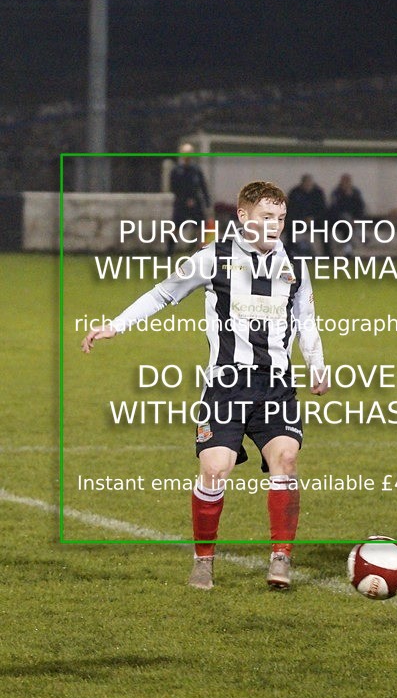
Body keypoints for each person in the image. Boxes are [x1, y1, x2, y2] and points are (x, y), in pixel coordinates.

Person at [82, 181, 329, 591]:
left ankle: (281, 557)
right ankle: (203, 560)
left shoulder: (295, 268)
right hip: (226, 386)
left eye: (281, 219)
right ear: (244, 217)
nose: (276, 226)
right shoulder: (213, 258)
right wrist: (115, 325)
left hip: (276, 387)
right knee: (215, 469)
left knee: (285, 460)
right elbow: (163, 294)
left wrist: (317, 366)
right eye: (267, 218)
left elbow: (306, 322)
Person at [167, 142, 210, 255]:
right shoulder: (176, 171)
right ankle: (169, 250)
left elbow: (202, 186)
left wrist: (207, 202)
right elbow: (173, 188)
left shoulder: (196, 170)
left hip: (195, 202)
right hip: (181, 203)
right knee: (176, 227)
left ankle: (200, 251)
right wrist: (185, 200)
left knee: (200, 227)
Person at [285, 174, 327, 257]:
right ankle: (289, 253)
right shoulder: (295, 193)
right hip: (299, 221)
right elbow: (291, 210)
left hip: (315, 221)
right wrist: (302, 219)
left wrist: (313, 218)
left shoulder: (318, 193)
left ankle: (327, 253)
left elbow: (322, 210)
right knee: (290, 228)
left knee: (325, 227)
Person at [328, 174, 366, 256]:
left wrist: (356, 218)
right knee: (346, 224)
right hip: (339, 220)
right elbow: (335, 209)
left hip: (353, 219)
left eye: (348, 182)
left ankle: (358, 237)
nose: (346, 184)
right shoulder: (336, 193)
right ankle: (349, 248)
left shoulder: (355, 193)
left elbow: (360, 207)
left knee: (350, 222)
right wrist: (346, 197)